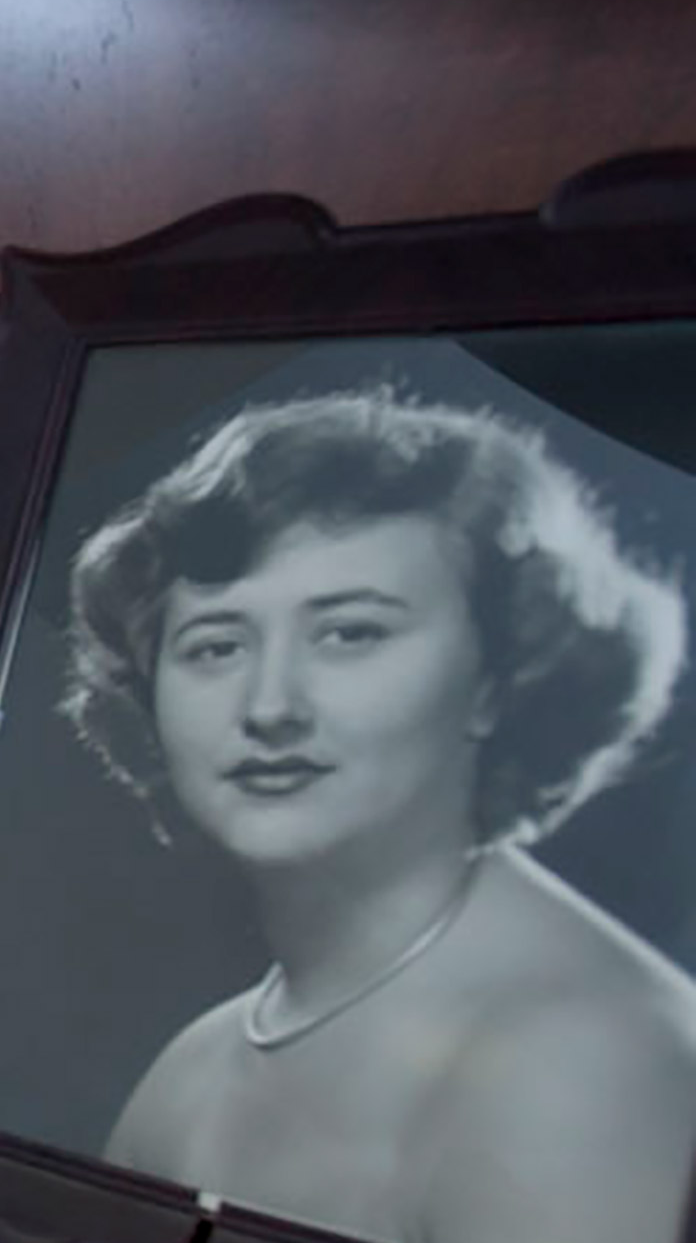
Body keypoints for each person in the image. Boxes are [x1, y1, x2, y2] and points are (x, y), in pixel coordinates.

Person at [65, 385, 696, 1243]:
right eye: (216, 646)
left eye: (350, 633)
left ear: (494, 679)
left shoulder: (585, 1067)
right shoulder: (198, 1063)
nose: (270, 705)